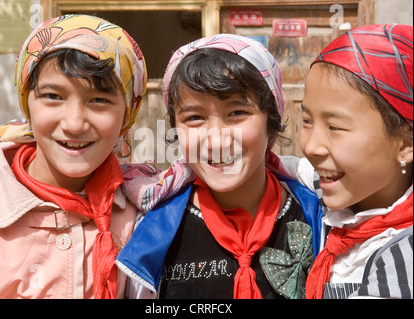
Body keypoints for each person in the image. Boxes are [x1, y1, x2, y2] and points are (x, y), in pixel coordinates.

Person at [116, 34, 323, 299]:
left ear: (271, 120)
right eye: (195, 117)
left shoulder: (320, 216)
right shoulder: (151, 234)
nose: (216, 139)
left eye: (236, 113)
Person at [0, 14, 147, 298]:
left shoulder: (141, 208)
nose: (74, 123)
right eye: (53, 96)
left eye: (99, 100)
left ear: (127, 113)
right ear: (27, 103)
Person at [281, 24, 413, 299]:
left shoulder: (403, 262)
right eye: (306, 121)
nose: (311, 147)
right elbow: (284, 165)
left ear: (406, 144)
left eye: (335, 127)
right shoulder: (339, 185)